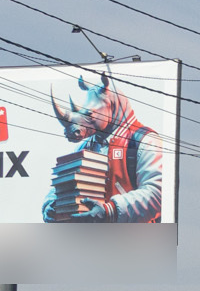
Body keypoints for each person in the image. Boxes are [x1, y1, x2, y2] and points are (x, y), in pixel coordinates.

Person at [50, 73, 164, 221]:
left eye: (90, 115)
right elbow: (65, 183)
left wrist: (111, 210)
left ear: (110, 106)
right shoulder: (87, 146)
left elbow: (157, 194)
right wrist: (52, 206)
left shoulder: (145, 141)